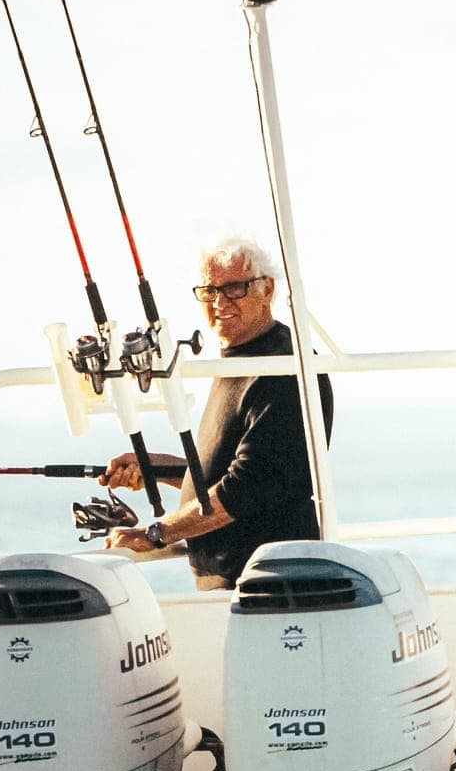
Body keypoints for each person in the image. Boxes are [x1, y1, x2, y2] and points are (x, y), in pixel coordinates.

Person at [103, 239, 334, 590]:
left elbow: (250, 486)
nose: (220, 302)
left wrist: (157, 533)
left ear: (266, 288)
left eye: (235, 289)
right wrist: (158, 468)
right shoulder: (240, 359)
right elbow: (232, 470)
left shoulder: (283, 367)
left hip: (272, 589)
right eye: (210, 291)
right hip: (238, 586)